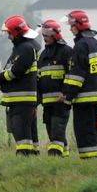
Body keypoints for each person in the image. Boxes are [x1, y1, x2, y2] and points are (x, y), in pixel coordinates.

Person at [61, 10, 97, 159]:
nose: (70, 29)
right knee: (92, 131)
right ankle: (92, 160)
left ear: (78, 26)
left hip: (83, 100)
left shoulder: (80, 46)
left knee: (83, 132)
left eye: (71, 26)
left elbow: (76, 76)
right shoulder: (96, 44)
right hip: (96, 98)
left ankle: (89, 162)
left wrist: (67, 96)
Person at [0, 16, 39, 156]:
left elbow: (16, 71)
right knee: (19, 129)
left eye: (9, 33)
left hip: (22, 100)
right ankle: (28, 155)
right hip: (17, 100)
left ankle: (24, 155)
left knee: (21, 130)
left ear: (16, 32)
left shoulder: (25, 49)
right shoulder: (20, 48)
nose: (8, 37)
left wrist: (0, 78)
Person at [37, 19, 74, 156]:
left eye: (47, 36)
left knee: (57, 134)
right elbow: (38, 78)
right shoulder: (43, 55)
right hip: (47, 104)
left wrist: (65, 93)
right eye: (43, 36)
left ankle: (54, 158)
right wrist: (38, 99)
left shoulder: (66, 52)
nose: (44, 39)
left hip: (61, 102)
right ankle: (64, 158)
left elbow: (71, 75)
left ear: (55, 36)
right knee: (53, 134)